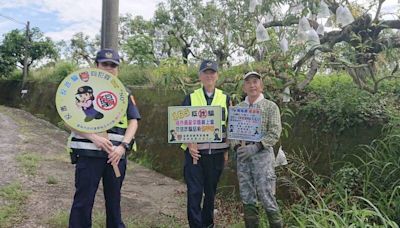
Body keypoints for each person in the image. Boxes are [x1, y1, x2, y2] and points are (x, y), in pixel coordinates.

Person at [68, 48, 141, 228]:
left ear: (118, 69)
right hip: (88, 154)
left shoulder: (125, 92)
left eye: (113, 65)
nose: (109, 68)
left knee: (114, 202)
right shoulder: (81, 89)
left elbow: (134, 121)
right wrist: (93, 137)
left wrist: (123, 146)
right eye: (105, 64)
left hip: (115, 155)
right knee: (83, 201)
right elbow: (68, 121)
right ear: (97, 65)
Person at [181, 60, 231, 228]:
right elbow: (180, 124)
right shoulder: (190, 97)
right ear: (200, 76)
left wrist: (226, 151)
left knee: (210, 193)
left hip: (216, 155)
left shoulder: (225, 98)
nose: (209, 75)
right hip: (195, 154)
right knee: (194, 192)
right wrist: (189, 144)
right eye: (205, 72)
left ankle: (208, 224)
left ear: (217, 76)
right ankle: (195, 225)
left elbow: (229, 125)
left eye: (212, 72)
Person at [231, 71, 283, 228]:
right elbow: (231, 132)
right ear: (244, 87)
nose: (252, 85)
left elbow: (275, 131)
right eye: (248, 82)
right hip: (243, 159)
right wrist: (237, 147)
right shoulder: (239, 108)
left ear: (261, 85)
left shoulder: (270, 107)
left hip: (263, 158)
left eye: (255, 81)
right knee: (247, 197)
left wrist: (257, 146)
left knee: (266, 195)